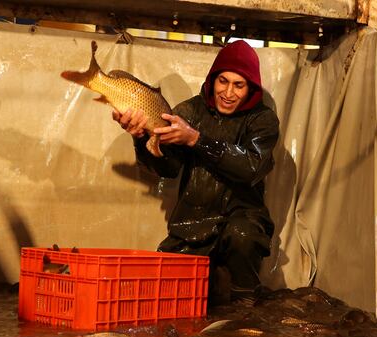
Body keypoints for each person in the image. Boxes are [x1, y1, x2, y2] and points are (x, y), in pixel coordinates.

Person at [112, 40, 280, 305]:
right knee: (163, 298)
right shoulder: (188, 111)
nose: (228, 92)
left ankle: (246, 314)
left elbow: (251, 168)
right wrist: (140, 138)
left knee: (243, 237)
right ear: (212, 79)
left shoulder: (263, 120)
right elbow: (168, 169)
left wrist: (196, 140)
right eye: (223, 81)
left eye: (239, 85)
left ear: (251, 88)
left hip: (244, 218)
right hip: (192, 223)